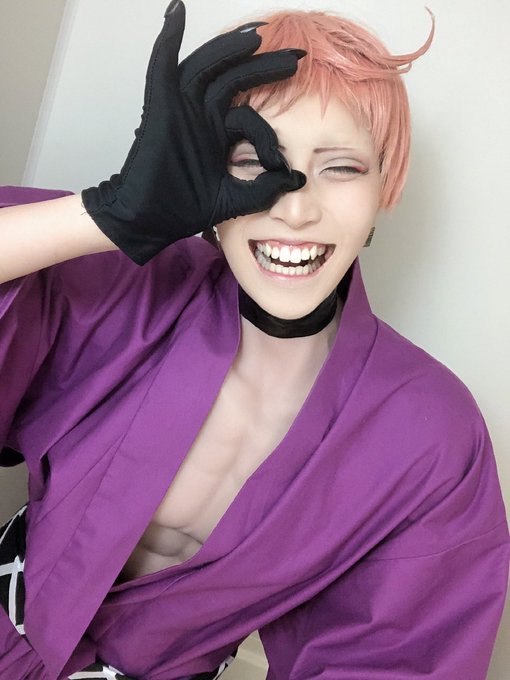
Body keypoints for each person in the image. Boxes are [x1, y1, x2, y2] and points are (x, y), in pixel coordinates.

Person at [0, 1, 508, 678]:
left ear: (385, 186)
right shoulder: (124, 289)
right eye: (253, 161)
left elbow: (402, 656)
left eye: (342, 168)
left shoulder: (431, 434)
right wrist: (107, 215)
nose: (295, 209)